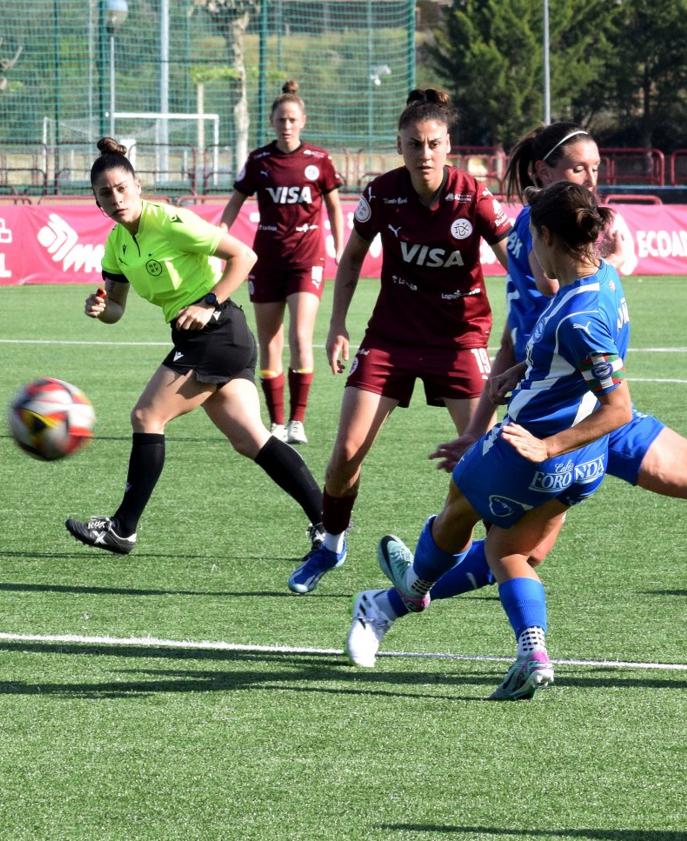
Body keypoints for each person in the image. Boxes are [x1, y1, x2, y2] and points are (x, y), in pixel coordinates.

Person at [359, 121, 687, 669]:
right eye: (579, 169)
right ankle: (390, 602)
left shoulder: (571, 232)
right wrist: (484, 427)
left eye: (596, 168)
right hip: (564, 420)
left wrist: (612, 265)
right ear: (546, 173)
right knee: (517, 552)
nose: (592, 179)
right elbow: (546, 317)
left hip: (604, 414)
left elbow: (540, 332)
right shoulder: (538, 234)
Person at [349, 181, 633, 700]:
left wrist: (546, 446)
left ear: (546, 236)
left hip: (534, 449)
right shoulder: (603, 280)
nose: (527, 251)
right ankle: (533, 653)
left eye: (531, 240)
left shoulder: (577, 315)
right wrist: (526, 369)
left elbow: (620, 407)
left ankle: (412, 591)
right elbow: (579, 360)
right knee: (507, 553)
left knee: (458, 500)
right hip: (584, 465)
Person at [286, 88, 511, 594]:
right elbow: (350, 260)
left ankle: (498, 555)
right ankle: (331, 543)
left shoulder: (473, 194)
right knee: (345, 452)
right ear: (400, 146)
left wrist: (541, 293)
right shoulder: (382, 192)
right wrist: (337, 324)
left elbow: (515, 258)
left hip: (460, 340)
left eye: (433, 143)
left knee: (487, 458)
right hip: (390, 338)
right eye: (414, 144)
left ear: (448, 144)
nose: (424, 153)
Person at [66, 138, 326, 559]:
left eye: (121, 188)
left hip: (217, 332)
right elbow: (116, 307)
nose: (115, 199)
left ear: (137, 186)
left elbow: (244, 255)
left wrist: (208, 303)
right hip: (203, 336)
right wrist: (100, 309)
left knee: (146, 415)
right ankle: (326, 523)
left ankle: (123, 528)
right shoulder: (116, 243)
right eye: (105, 193)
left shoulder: (169, 221)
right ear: (96, 200)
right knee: (251, 439)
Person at [219, 80, 344, 447]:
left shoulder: (319, 161)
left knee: (300, 336)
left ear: (302, 120)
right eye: (280, 120)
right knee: (270, 341)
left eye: (292, 119)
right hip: (267, 260)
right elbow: (234, 204)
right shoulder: (260, 161)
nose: (286, 125)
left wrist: (340, 245)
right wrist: (218, 241)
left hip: (307, 259)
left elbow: (335, 207)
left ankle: (297, 421)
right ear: (272, 122)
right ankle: (275, 423)